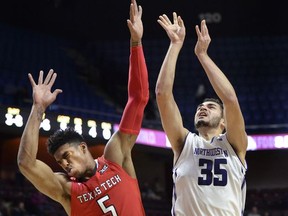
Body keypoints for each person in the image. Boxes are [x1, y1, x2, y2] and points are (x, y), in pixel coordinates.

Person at [17, 0, 149, 215]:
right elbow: (26, 164)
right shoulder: (66, 189)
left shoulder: (115, 157)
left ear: (83, 147)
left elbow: (138, 98)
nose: (65, 164)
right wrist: (38, 109)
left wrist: (136, 43)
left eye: (67, 155)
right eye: (60, 161)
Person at [155, 13, 248, 216]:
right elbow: (162, 94)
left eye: (211, 107)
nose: (202, 108)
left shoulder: (234, 144)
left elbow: (230, 99)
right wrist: (175, 45)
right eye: (200, 106)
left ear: (224, 122)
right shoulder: (184, 143)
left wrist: (202, 55)